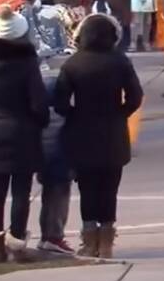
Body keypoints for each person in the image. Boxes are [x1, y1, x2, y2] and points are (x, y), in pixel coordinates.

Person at [53, 13, 143, 259]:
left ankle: (89, 239)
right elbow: (135, 96)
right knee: (109, 189)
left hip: (82, 131)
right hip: (113, 131)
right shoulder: (120, 61)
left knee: (88, 189)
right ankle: (107, 241)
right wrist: (120, 113)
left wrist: (73, 114)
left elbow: (59, 101)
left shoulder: (73, 64)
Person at [0, 5, 49, 263]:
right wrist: (40, 122)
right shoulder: (27, 63)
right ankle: (16, 243)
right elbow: (38, 102)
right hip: (23, 131)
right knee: (21, 191)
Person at [37, 71, 73, 255]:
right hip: (60, 164)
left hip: (43, 163)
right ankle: (53, 236)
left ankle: (47, 235)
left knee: (47, 199)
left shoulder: (38, 116)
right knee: (58, 202)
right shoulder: (64, 116)